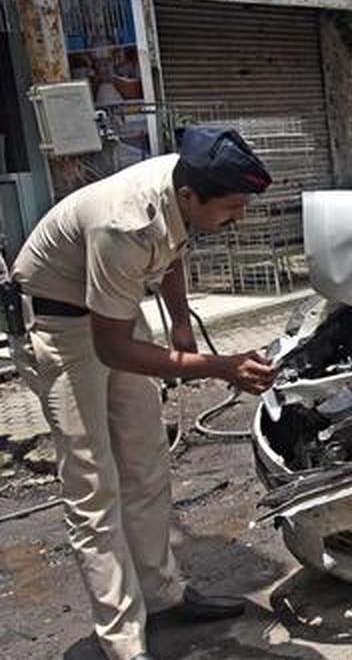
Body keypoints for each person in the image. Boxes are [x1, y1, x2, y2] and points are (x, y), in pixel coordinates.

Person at [9, 127, 278, 660]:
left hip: (112, 309)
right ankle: (123, 640)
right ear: (190, 195)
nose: (239, 218)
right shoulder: (124, 223)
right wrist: (219, 366)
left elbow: (171, 249)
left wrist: (180, 321)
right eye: (232, 207)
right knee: (93, 485)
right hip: (59, 327)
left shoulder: (181, 184)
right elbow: (112, 349)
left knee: (145, 460)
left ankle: (161, 596)